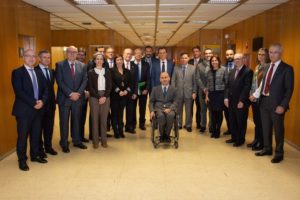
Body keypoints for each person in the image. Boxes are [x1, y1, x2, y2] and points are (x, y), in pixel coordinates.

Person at [253, 43, 294, 163]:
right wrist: (256, 95)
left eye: (275, 52)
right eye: (270, 52)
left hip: (277, 105)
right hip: (264, 101)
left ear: (280, 53)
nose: (272, 54)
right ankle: (267, 148)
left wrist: (283, 105)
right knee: (266, 127)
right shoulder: (266, 67)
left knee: (278, 129)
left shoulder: (287, 69)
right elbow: (262, 85)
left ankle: (279, 153)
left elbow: (289, 89)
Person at [12, 49, 48, 171]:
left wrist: (42, 101)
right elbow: (19, 92)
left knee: (36, 135)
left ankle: (35, 155)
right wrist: (34, 103)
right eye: (28, 56)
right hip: (24, 111)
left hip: (38, 110)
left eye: (33, 56)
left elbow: (46, 89)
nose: (31, 58)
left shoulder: (39, 72)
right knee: (23, 137)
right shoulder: (17, 73)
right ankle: (22, 160)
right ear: (23, 57)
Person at [56, 46, 88, 153]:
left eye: (75, 52)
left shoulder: (82, 66)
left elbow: (84, 80)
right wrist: (70, 93)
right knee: (64, 122)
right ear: (66, 53)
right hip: (65, 99)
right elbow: (60, 82)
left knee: (76, 120)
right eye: (70, 52)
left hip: (78, 98)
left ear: (77, 54)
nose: (72, 54)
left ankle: (77, 140)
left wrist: (78, 93)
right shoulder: (60, 65)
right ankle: (64, 143)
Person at [225, 53, 253, 147]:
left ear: (243, 60)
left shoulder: (248, 71)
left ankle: (240, 139)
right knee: (232, 120)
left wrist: (241, 101)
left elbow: (247, 87)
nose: (237, 60)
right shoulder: (232, 71)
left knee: (240, 121)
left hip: (241, 102)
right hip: (231, 101)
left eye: (239, 59)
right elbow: (228, 86)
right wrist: (226, 98)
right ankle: (234, 137)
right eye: (235, 59)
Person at [35, 50, 58, 157]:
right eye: (44, 57)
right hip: (40, 105)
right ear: (39, 58)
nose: (47, 59)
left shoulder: (51, 71)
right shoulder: (35, 71)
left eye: (48, 57)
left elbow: (50, 88)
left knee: (49, 128)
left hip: (51, 105)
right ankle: (40, 149)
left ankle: (48, 147)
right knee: (39, 128)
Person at [248, 48, 270, 151]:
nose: (260, 56)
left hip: (261, 99)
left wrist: (255, 95)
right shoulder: (257, 66)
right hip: (254, 99)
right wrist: (251, 95)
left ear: (267, 56)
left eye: (263, 54)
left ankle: (262, 143)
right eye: (259, 54)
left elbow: (263, 84)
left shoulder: (268, 67)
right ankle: (256, 139)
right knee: (257, 121)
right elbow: (254, 82)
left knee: (262, 122)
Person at [88, 53, 112, 148]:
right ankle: (95, 142)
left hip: (106, 96)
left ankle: (104, 141)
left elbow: (110, 86)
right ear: (94, 61)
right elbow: (90, 87)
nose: (99, 60)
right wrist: (99, 97)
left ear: (103, 61)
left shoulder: (107, 71)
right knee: (95, 119)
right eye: (97, 59)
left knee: (104, 119)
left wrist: (105, 96)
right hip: (94, 97)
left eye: (101, 59)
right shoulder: (91, 72)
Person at [171, 52, 196, 132]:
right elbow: (173, 80)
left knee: (189, 110)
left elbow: (195, 81)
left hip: (189, 93)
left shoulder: (193, 68)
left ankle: (188, 125)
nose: (184, 59)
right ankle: (179, 124)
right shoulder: (176, 68)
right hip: (178, 93)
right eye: (182, 58)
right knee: (178, 110)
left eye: (185, 58)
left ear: (188, 58)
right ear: (180, 59)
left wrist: (194, 92)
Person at [150, 72, 177, 142]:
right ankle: (162, 135)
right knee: (161, 116)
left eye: (166, 77)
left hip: (170, 108)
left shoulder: (174, 89)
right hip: (159, 108)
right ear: (160, 79)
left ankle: (167, 135)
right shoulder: (155, 89)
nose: (164, 79)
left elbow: (176, 101)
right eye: (162, 78)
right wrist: (152, 110)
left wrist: (170, 108)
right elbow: (151, 101)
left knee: (171, 116)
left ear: (169, 78)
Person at [205, 56, 228, 138]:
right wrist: (206, 96)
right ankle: (214, 130)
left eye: (215, 60)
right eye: (212, 61)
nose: (214, 62)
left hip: (220, 94)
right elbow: (207, 84)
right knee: (213, 113)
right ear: (211, 62)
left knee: (219, 113)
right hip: (212, 94)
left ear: (218, 61)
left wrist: (226, 96)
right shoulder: (209, 71)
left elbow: (226, 83)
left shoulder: (224, 70)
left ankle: (218, 130)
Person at [110, 54, 132, 138]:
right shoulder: (111, 71)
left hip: (124, 96)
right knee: (114, 114)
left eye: (120, 60)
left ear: (123, 61)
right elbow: (111, 83)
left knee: (121, 114)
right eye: (117, 60)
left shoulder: (127, 71)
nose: (119, 61)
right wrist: (118, 91)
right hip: (115, 96)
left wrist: (126, 91)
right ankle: (116, 132)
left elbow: (130, 83)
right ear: (115, 62)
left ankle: (121, 131)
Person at [133, 48, 150, 130]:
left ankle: (142, 123)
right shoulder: (131, 64)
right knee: (132, 107)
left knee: (142, 107)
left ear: (142, 55)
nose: (138, 55)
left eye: (140, 53)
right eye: (137, 53)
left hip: (143, 88)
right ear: (134, 54)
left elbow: (148, 78)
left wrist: (146, 89)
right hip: (133, 89)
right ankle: (133, 123)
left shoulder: (146, 64)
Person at [196, 48, 213, 133]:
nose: (208, 55)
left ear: (212, 54)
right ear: (204, 54)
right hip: (202, 91)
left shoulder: (214, 63)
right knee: (203, 109)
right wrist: (204, 88)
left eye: (209, 53)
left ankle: (211, 126)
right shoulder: (199, 65)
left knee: (211, 110)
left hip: (212, 91)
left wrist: (209, 88)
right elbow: (198, 78)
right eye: (206, 53)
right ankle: (203, 125)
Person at [123, 48, 138, 133]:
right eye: (127, 54)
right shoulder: (119, 64)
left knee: (131, 111)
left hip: (131, 93)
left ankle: (129, 127)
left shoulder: (134, 66)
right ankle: (119, 127)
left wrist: (135, 92)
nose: (128, 55)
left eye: (130, 54)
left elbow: (136, 80)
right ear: (123, 54)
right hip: (120, 93)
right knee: (120, 112)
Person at [188, 46, 202, 129]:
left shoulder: (203, 62)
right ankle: (189, 123)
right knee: (190, 107)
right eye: (194, 51)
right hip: (191, 88)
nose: (195, 53)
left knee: (199, 107)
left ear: (200, 52)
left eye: (197, 51)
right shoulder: (189, 61)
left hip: (200, 89)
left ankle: (199, 123)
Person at [223, 49, 235, 136]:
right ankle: (230, 129)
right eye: (227, 55)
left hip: (235, 94)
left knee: (234, 114)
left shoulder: (238, 65)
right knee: (227, 113)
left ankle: (235, 130)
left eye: (231, 54)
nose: (229, 56)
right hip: (225, 94)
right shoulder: (223, 66)